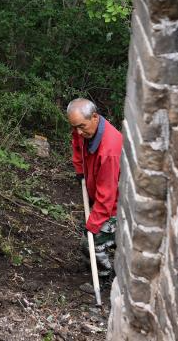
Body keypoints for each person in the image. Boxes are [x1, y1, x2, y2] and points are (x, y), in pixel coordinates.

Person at [67, 98, 122, 274]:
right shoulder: (84, 129)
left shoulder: (109, 151)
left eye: (81, 126)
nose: (78, 132)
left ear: (95, 117)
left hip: (117, 207)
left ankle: (104, 277)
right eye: (74, 127)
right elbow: (77, 145)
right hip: (100, 196)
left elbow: (107, 198)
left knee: (89, 243)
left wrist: (92, 225)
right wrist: (79, 170)